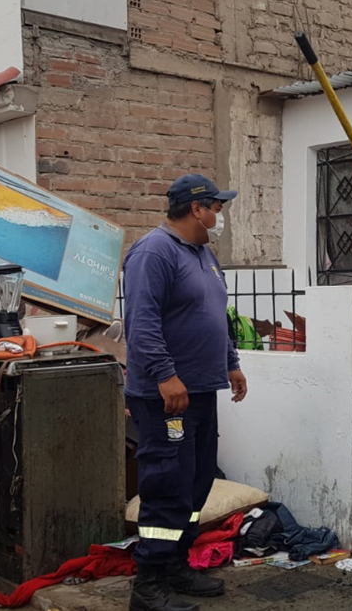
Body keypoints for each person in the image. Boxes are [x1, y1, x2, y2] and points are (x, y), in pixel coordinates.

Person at [122, 174, 249, 611]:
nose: (220, 215)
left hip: (200, 390)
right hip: (165, 395)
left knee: (195, 483)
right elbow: (142, 323)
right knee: (166, 484)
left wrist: (231, 363)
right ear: (197, 208)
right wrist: (164, 375)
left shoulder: (204, 254)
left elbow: (217, 315)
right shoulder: (153, 252)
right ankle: (149, 584)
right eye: (217, 206)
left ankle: (176, 564)